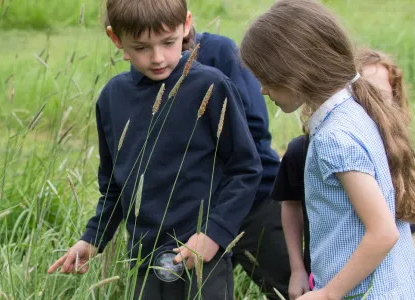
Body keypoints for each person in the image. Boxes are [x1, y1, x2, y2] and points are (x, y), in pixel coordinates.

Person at [46, 0, 263, 299]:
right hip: (144, 263)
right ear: (116, 39)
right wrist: (92, 239)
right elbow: (114, 187)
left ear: (186, 25)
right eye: (142, 47)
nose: (158, 57)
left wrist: (213, 235)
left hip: (203, 261)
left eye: (169, 42)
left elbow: (246, 169)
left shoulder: (212, 86)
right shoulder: (112, 98)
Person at [239, 0, 415, 298]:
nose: (262, 89)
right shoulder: (357, 108)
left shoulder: (334, 138)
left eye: (266, 78)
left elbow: (383, 232)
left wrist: (329, 293)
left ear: (295, 69)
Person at [271, 46, 415, 299]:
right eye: (363, 91)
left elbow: (402, 227)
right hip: (326, 275)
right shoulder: (307, 149)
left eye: (381, 94)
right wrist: (298, 269)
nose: (370, 102)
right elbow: (290, 205)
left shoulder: (393, 151)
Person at [187, 26, 292, 298]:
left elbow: (255, 127)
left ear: (185, 21)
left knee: (291, 289)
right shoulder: (147, 68)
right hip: (196, 214)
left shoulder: (219, 52)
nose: (157, 55)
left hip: (254, 200)